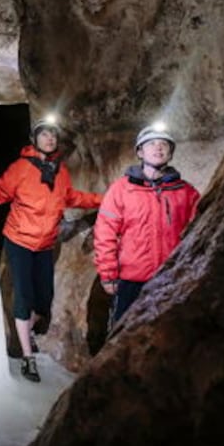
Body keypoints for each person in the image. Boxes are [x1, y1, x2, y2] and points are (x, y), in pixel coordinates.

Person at [0, 116, 102, 383]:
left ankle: (26, 330)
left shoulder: (60, 170)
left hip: (44, 243)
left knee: (43, 300)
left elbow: (71, 198)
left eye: (53, 135)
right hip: (19, 240)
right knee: (24, 295)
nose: (50, 138)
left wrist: (104, 198)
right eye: (45, 134)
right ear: (34, 139)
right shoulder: (21, 167)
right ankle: (28, 357)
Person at [93, 124, 200, 329]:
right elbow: (105, 233)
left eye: (164, 144)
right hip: (132, 280)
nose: (158, 148)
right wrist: (108, 275)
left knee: (170, 334)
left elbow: (198, 233)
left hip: (171, 278)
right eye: (151, 144)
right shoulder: (121, 190)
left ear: (170, 153)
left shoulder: (186, 192)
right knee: (123, 336)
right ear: (140, 152)